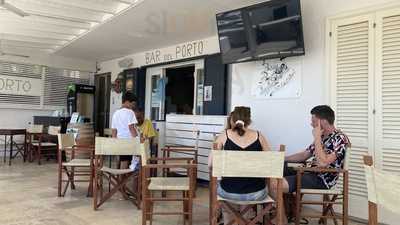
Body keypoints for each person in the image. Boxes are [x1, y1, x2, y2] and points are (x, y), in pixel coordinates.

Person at [270, 105, 351, 224]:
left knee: (274, 185)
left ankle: (281, 218)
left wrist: (317, 137)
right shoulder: (323, 136)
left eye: (313, 121)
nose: (311, 124)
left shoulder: (340, 139)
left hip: (322, 179)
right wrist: (281, 158)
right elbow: (304, 155)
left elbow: (323, 163)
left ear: (322, 121)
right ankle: (284, 210)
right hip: (309, 172)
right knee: (274, 168)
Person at [209, 106, 271, 224]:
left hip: (229, 192)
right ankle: (244, 220)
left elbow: (211, 164)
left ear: (233, 119)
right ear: (249, 120)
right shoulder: (259, 136)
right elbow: (271, 164)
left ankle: (230, 221)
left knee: (223, 187)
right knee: (245, 192)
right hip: (256, 193)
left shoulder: (224, 135)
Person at [111, 91, 139, 170]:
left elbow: (114, 131)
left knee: (122, 160)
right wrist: (138, 139)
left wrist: (114, 144)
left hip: (119, 142)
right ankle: (122, 180)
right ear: (127, 102)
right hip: (128, 143)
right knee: (129, 161)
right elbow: (131, 128)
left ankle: (119, 179)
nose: (132, 106)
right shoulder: (130, 112)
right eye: (132, 104)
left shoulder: (115, 113)